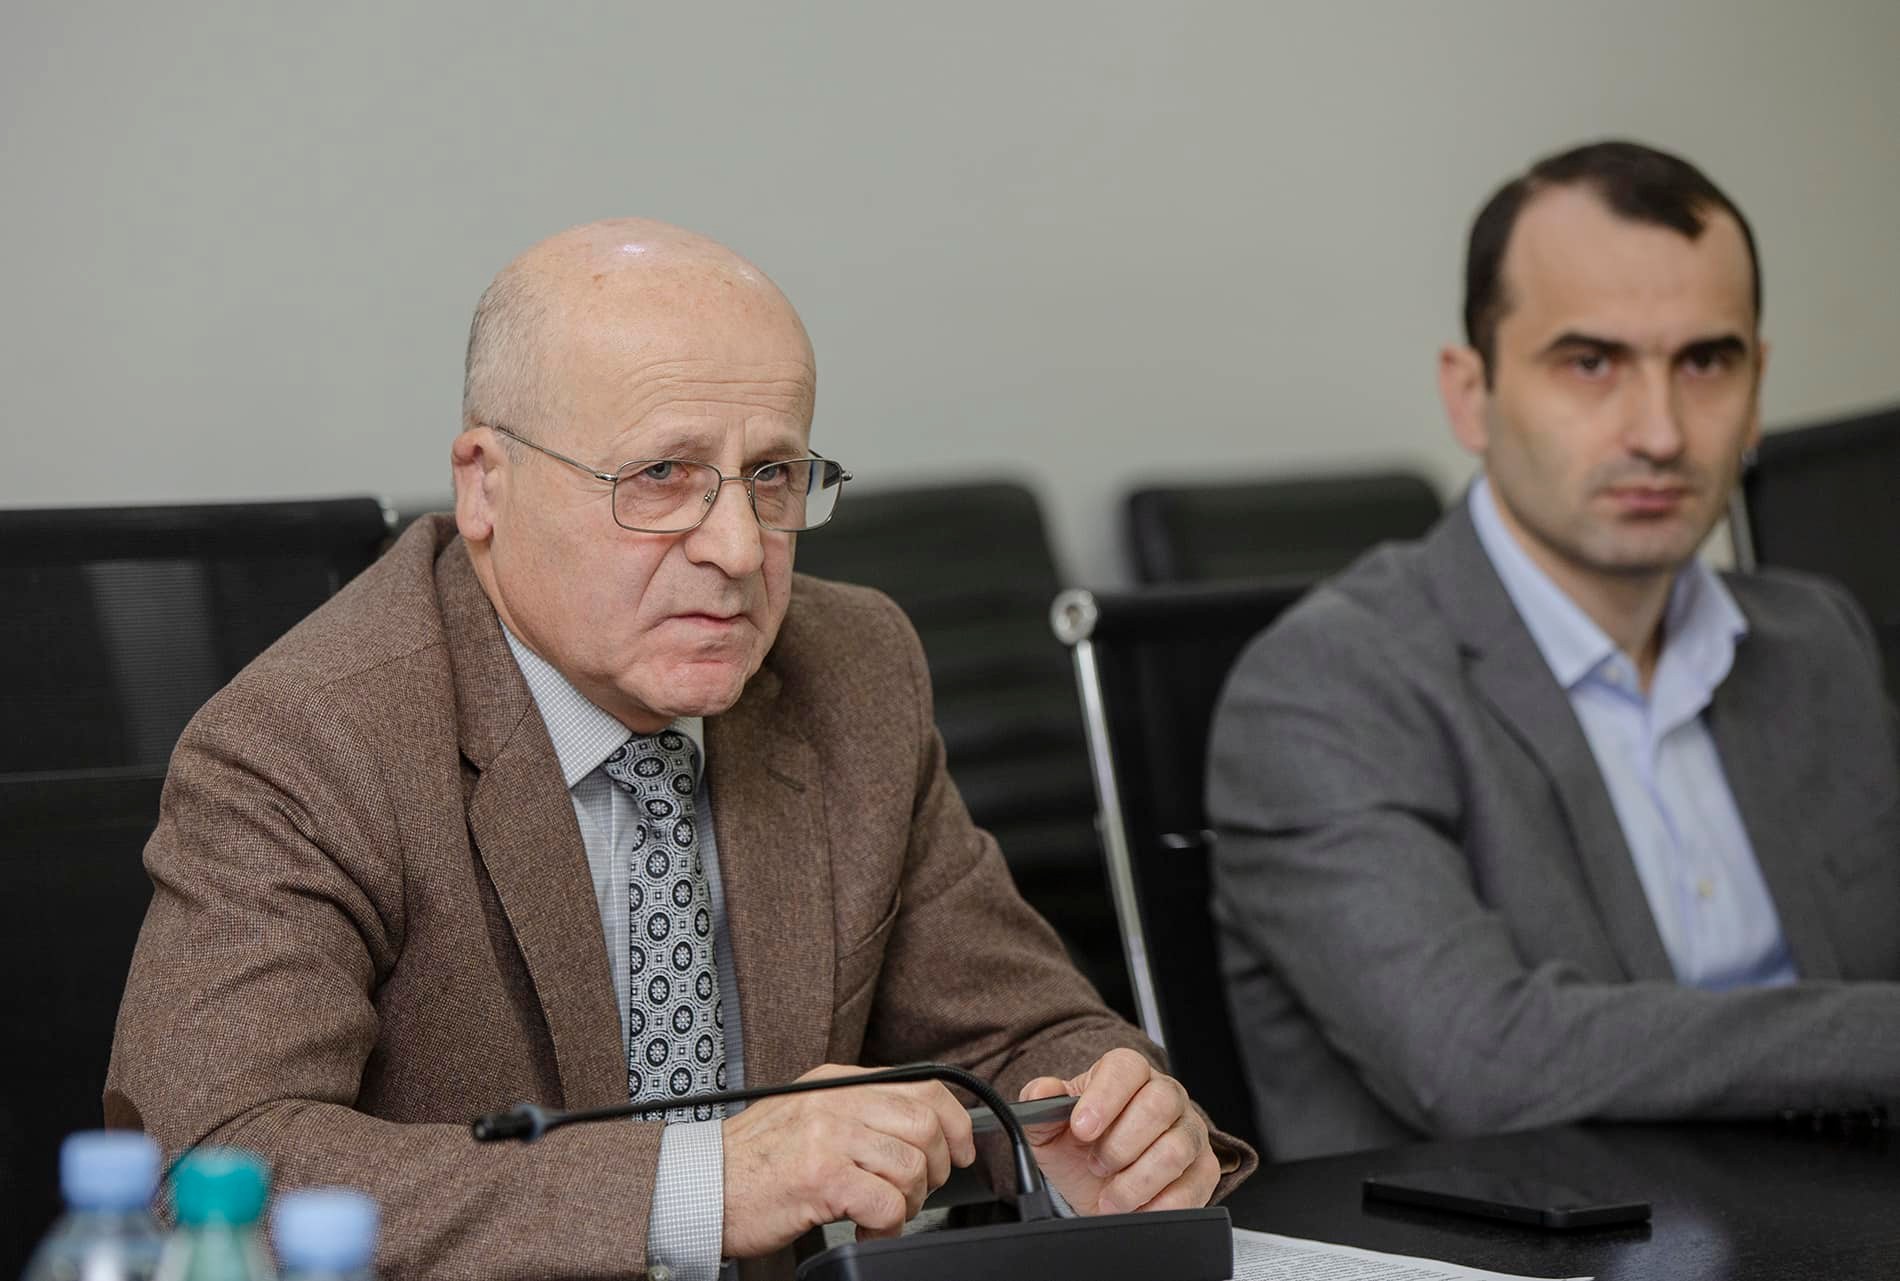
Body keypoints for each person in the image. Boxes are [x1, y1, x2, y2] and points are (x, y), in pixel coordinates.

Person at [107, 220, 1253, 1279]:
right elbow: (208, 1170)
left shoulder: (850, 669)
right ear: (485, 484)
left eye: (773, 476)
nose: (738, 549)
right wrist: (701, 1182)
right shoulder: (313, 737)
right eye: (661, 477)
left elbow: (1018, 1029)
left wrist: (1098, 1123)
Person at [1208, 140, 1900, 1161]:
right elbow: (1480, 1059)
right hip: (1529, 1236)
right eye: (1590, 363)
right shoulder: (1322, 688)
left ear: (1757, 389)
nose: (1660, 432)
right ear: (1469, 393)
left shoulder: (1814, 641)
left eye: (1704, 362)